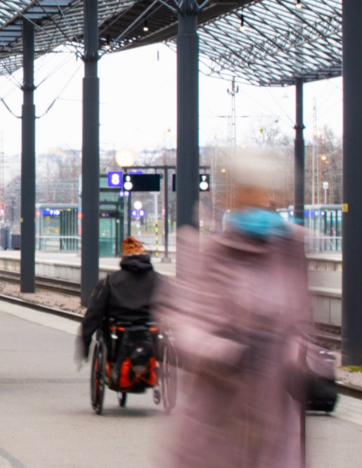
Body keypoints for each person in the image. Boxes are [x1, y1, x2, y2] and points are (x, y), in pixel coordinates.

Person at [161, 149, 311, 468]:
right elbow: (186, 325)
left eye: (265, 191)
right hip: (216, 427)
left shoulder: (289, 251)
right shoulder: (210, 253)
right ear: (234, 197)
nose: (259, 200)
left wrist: (310, 365)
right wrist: (228, 353)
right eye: (249, 191)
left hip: (275, 427)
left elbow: (301, 326)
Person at [76, 236, 160, 367]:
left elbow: (93, 315)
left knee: (103, 328)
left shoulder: (109, 282)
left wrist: (85, 346)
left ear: (124, 257)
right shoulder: (159, 280)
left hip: (119, 337)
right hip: (151, 332)